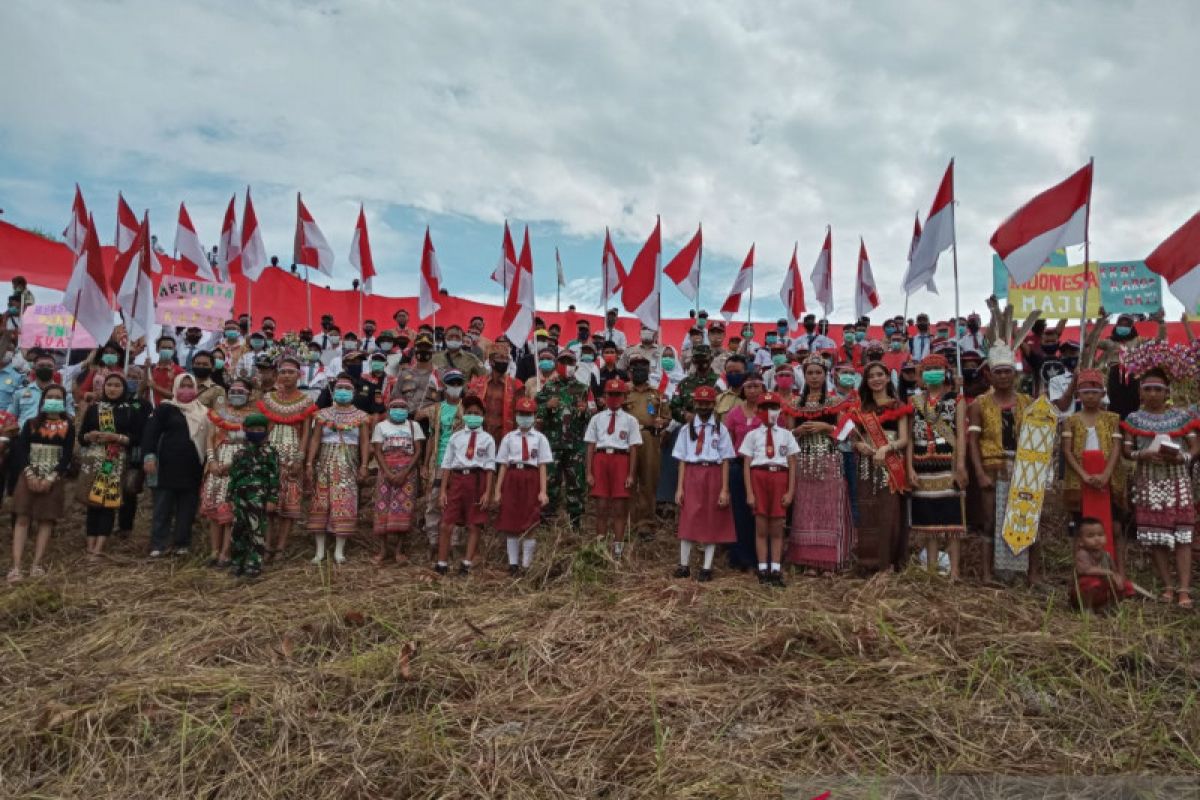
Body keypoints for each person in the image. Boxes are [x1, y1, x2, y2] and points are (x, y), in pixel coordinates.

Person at [1120, 366, 1196, 609]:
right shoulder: (1133, 419)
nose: (1153, 394)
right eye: (1148, 389)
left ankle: (1184, 588)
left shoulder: (1182, 417)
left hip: (1178, 480)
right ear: (1141, 393)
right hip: (1148, 480)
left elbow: (1195, 446)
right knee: (1156, 535)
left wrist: (1182, 457)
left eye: (1157, 389)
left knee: (1183, 534)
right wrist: (1143, 454)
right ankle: (1167, 586)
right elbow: (1127, 450)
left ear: (1167, 392)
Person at [967, 343, 1033, 585]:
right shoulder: (979, 405)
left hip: (1023, 468)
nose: (1003, 376)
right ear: (990, 375)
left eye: (1008, 372)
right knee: (989, 521)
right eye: (999, 372)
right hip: (991, 466)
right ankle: (987, 574)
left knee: (1027, 520)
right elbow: (972, 441)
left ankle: (1030, 574)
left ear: (1015, 375)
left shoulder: (1028, 403)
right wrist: (980, 473)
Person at [786, 357, 855, 575]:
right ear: (804, 376)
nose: (814, 377)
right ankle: (808, 560)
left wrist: (826, 426)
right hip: (804, 460)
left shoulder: (836, 402)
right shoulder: (795, 404)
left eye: (818, 373)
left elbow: (847, 434)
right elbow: (787, 436)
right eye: (810, 373)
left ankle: (828, 562)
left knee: (829, 510)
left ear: (826, 375)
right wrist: (798, 431)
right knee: (805, 510)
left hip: (829, 458)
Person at [907, 354, 968, 579]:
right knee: (929, 521)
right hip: (922, 464)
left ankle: (955, 571)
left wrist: (960, 465)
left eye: (937, 368)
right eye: (928, 368)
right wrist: (909, 468)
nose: (932, 372)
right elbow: (911, 438)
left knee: (952, 522)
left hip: (948, 462)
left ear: (945, 372)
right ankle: (932, 569)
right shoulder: (914, 402)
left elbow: (961, 435)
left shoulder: (957, 400)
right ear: (921, 373)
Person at [6, 385, 73, 582]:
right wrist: (30, 475)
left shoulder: (68, 426)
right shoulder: (31, 423)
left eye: (58, 397)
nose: (53, 399)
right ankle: (16, 566)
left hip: (53, 478)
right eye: (50, 396)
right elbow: (21, 450)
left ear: (63, 401)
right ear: (43, 400)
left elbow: (67, 454)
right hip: (29, 475)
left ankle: (37, 564)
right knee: (22, 518)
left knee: (46, 520)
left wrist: (51, 477)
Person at [849, 362, 911, 572]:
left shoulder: (898, 405)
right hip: (866, 464)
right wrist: (859, 445)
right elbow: (853, 439)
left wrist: (886, 448)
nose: (875, 379)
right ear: (866, 381)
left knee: (889, 513)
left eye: (879, 375)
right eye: (871, 376)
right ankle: (868, 563)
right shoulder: (860, 409)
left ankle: (888, 563)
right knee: (867, 511)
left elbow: (904, 439)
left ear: (887, 378)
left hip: (890, 464)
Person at [1061, 369, 1125, 568]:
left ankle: (1118, 569)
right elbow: (1067, 451)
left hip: (1107, 476)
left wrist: (1106, 474)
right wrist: (1083, 475)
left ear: (1103, 394)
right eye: (1085, 392)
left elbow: (1116, 448)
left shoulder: (1112, 419)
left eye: (1094, 392)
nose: (1090, 396)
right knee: (1080, 527)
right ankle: (1081, 570)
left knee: (1114, 527)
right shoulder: (1070, 421)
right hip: (1080, 477)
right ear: (1078, 395)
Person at [142, 373, 210, 558]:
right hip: (165, 467)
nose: (186, 390)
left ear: (196, 388)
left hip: (193, 468)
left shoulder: (204, 412)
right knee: (162, 507)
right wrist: (149, 456)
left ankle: (182, 543)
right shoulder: (165, 409)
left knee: (187, 509)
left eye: (190, 386)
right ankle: (159, 544)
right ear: (175, 388)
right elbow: (151, 434)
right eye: (182, 385)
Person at [305, 377, 372, 565]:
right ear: (333, 392)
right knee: (321, 502)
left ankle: (339, 551)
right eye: (339, 387)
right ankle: (319, 552)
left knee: (344, 503)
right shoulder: (322, 414)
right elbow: (315, 440)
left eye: (346, 388)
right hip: (325, 462)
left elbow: (365, 442)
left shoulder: (362, 416)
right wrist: (309, 463)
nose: (342, 390)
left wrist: (364, 465)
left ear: (353, 393)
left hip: (348, 463)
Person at [672, 386, 735, 581]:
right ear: (695, 404)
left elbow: (725, 459)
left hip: (713, 474)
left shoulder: (720, 429)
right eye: (700, 402)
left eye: (708, 403)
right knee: (688, 516)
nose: (704, 406)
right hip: (692, 473)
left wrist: (724, 489)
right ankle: (684, 565)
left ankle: (707, 567)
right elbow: (682, 459)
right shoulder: (686, 429)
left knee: (712, 518)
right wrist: (679, 487)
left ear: (713, 404)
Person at [258, 356, 316, 561]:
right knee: (267, 504)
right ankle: (266, 545)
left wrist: (300, 458)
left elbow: (307, 433)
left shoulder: (306, 401)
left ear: (299, 375)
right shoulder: (268, 399)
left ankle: (281, 547)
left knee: (289, 505)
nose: (286, 376)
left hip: (292, 455)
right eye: (282, 372)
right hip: (270, 453)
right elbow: (262, 429)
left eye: (291, 372)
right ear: (277, 375)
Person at [76, 374, 137, 560]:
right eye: (109, 385)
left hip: (114, 460)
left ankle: (99, 548)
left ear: (124, 388)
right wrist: (89, 436)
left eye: (117, 385)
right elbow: (81, 437)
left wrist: (116, 438)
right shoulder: (94, 409)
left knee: (107, 503)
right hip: (93, 459)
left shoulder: (129, 410)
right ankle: (90, 545)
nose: (112, 388)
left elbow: (135, 438)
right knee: (92, 503)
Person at [738, 391, 797, 586]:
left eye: (773, 408)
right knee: (761, 526)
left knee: (777, 527)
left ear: (780, 411)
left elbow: (792, 463)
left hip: (779, 477)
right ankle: (763, 569)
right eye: (764, 408)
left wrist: (790, 491)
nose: (768, 412)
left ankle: (776, 569)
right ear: (757, 411)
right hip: (759, 477)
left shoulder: (787, 435)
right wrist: (749, 492)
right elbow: (747, 464)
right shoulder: (752, 435)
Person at [436, 394, 496, 575]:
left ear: (483, 415)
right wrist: (443, 491)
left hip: (477, 481)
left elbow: (490, 467)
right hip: (457, 480)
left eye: (476, 413)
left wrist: (488, 492)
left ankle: (466, 563)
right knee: (447, 523)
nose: (472, 415)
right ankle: (442, 563)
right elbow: (447, 464)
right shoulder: (456, 437)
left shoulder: (488, 439)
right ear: (463, 415)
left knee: (473, 524)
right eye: (469, 412)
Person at [492, 396, 552, 575]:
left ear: (534, 416)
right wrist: (497, 490)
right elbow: (502, 465)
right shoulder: (509, 438)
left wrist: (543, 491)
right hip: (512, 477)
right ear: (516, 415)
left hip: (531, 478)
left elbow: (542, 466)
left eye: (529, 414)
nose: (525, 417)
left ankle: (526, 564)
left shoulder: (540, 439)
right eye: (522, 414)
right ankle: (513, 564)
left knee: (530, 520)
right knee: (510, 520)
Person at [584, 379, 642, 557]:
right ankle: (600, 548)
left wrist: (631, 474)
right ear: (605, 396)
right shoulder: (597, 418)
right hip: (601, 459)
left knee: (619, 507)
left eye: (618, 394)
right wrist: (589, 472)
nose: (614, 398)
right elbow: (591, 447)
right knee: (601, 507)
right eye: (611, 394)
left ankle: (617, 550)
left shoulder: (631, 420)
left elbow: (633, 448)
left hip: (621, 460)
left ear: (624, 397)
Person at [200, 378, 253, 567]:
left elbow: (252, 444)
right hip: (217, 462)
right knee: (215, 510)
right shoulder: (218, 414)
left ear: (249, 395)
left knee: (230, 511)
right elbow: (210, 439)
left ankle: (226, 552)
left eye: (241, 392)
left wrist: (233, 464)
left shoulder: (253, 417)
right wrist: (212, 461)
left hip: (239, 463)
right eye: (233, 392)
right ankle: (214, 551)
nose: (236, 395)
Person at [536, 349, 590, 529]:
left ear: (575, 365)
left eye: (570, 362)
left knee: (576, 483)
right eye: (563, 361)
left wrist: (585, 412)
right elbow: (534, 410)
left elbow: (591, 416)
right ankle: (547, 520)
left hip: (575, 444)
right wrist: (547, 406)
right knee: (551, 481)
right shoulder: (549, 387)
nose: (566, 365)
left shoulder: (582, 388)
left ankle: (575, 523)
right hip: (553, 443)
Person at [371, 398, 425, 564]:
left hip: (407, 473)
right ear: (388, 408)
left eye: (402, 407)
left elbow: (418, 450)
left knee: (404, 510)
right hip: (385, 472)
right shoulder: (381, 426)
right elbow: (378, 451)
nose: (399, 409)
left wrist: (405, 472)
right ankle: (383, 550)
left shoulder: (413, 426)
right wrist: (387, 472)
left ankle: (399, 551)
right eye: (395, 406)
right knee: (383, 509)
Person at [420, 368, 467, 557]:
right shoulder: (438, 409)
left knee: (456, 501)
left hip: (459, 462)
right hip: (439, 461)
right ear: (445, 386)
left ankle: (454, 543)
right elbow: (432, 437)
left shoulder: (467, 408)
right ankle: (433, 539)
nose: (455, 387)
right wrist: (424, 464)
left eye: (458, 383)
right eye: (451, 383)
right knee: (434, 500)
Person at [227, 413, 279, 579]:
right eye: (252, 429)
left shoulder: (270, 452)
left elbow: (275, 477)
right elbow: (233, 476)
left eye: (259, 429)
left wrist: (272, 499)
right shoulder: (240, 453)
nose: (256, 432)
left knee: (256, 529)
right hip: (240, 496)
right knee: (238, 529)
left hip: (259, 497)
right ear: (246, 430)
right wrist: (230, 498)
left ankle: (254, 563)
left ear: (265, 430)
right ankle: (238, 562)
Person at [625, 354, 670, 539]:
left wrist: (663, 422)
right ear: (630, 370)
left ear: (649, 370)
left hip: (650, 438)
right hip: (627, 440)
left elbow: (667, 416)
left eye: (643, 367)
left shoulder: (657, 393)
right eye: (636, 367)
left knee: (648, 481)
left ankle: (646, 524)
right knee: (629, 481)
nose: (639, 370)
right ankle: (629, 522)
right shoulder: (624, 392)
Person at [722, 376, 763, 571]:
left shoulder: (769, 412)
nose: (753, 390)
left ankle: (759, 557)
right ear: (743, 389)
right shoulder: (734, 414)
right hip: (738, 467)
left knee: (759, 512)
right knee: (739, 512)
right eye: (749, 387)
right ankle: (740, 557)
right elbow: (728, 444)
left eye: (757, 386)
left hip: (761, 467)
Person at [1072, 517, 1135, 612]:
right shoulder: (1082, 554)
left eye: (1100, 535)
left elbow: (1114, 571)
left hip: (1101, 590)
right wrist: (1109, 572)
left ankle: (1106, 606)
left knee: (1126, 586)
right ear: (1081, 541)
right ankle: (1087, 608)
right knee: (1091, 583)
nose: (1097, 539)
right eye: (1090, 536)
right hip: (1083, 593)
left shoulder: (1106, 555)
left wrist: (1118, 578)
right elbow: (1085, 570)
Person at [468, 344, 524, 444]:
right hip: (481, 435)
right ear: (491, 361)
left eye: (507, 358)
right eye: (500, 357)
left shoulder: (516, 385)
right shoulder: (477, 384)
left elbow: (520, 414)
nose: (504, 361)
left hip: (505, 437)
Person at [9, 351, 76, 427]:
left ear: (54, 369)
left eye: (49, 366)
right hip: (23, 435)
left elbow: (71, 418)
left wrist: (57, 410)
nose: (45, 368)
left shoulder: (64, 394)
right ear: (34, 368)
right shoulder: (20, 392)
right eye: (41, 366)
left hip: (51, 435)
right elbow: (11, 417)